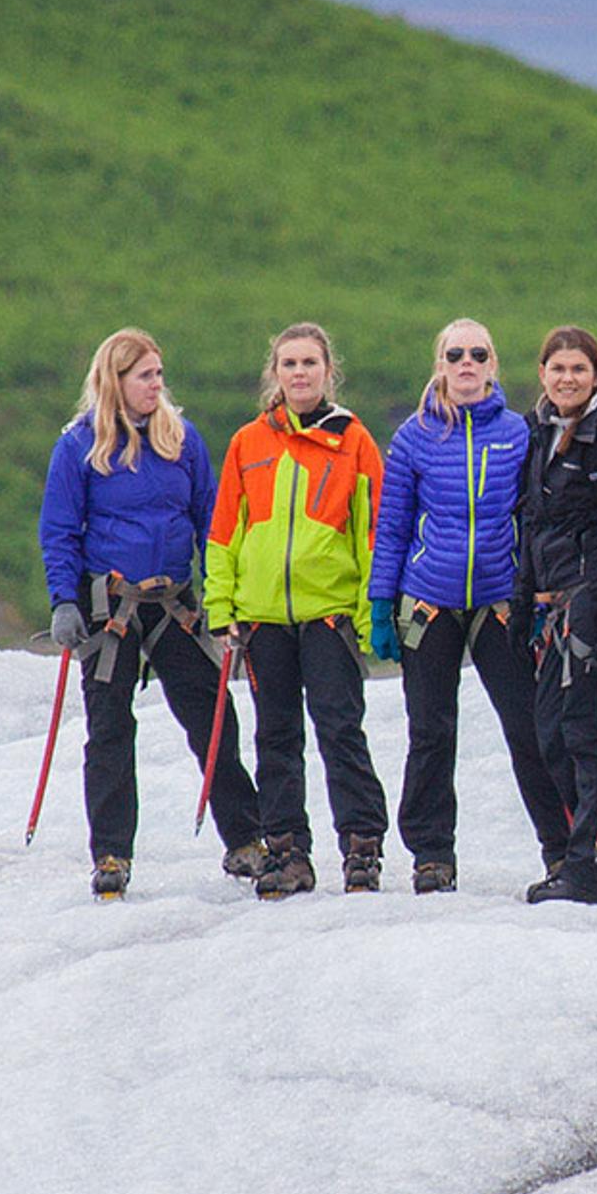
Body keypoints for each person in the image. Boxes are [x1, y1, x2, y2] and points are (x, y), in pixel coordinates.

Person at [38, 327, 260, 899]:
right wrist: (64, 600)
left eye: (159, 374)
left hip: (174, 605)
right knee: (109, 730)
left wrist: (222, 598)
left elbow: (213, 523)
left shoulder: (182, 441)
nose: (156, 385)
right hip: (109, 609)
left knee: (214, 719)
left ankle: (245, 840)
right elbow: (60, 531)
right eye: (145, 376)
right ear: (115, 381)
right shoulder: (79, 446)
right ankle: (111, 854)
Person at [370, 317, 571, 893]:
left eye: (477, 354)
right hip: (428, 600)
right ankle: (432, 854)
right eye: (454, 354)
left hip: (499, 603)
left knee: (529, 728)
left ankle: (560, 850)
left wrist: (536, 598)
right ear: (440, 364)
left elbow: (534, 521)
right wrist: (383, 605)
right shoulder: (413, 436)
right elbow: (392, 527)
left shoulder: (518, 432)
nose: (465, 363)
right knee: (430, 731)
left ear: (492, 365)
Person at [204, 322, 390, 898]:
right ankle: (286, 852)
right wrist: (221, 608)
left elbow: (372, 533)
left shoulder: (354, 440)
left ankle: (362, 849)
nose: (300, 373)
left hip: (328, 613)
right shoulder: (247, 443)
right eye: (289, 364)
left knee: (340, 730)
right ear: (275, 374)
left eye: (310, 363)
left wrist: (366, 616)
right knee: (275, 735)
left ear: (328, 372)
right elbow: (223, 532)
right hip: (262, 618)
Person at [514, 325, 597, 905]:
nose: (567, 378)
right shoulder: (538, 433)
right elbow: (533, 524)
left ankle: (592, 869)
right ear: (542, 374)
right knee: (553, 738)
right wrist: (524, 604)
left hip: (593, 610)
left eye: (578, 369)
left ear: (596, 375)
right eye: (557, 368)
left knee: (588, 741)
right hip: (551, 611)